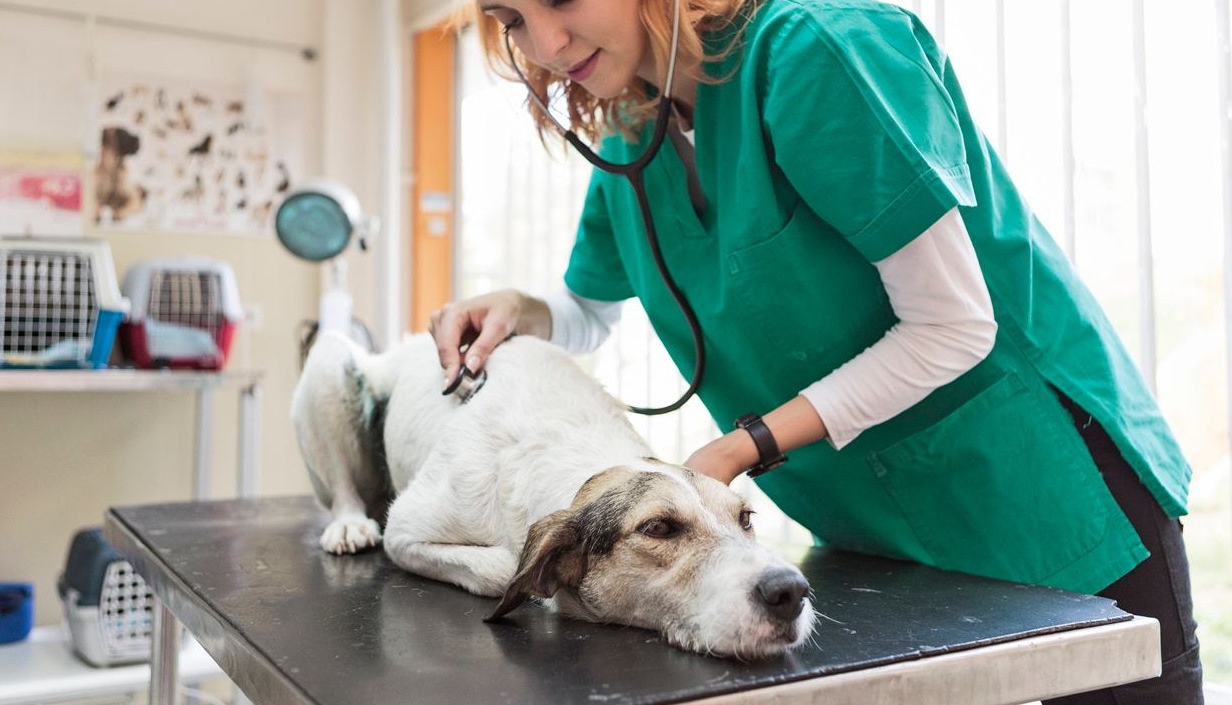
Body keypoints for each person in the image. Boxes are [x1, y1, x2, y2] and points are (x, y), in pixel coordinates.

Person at [433, 0, 1204, 701]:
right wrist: (523, 310)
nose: (546, 41)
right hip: (869, 520)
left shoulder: (817, 49)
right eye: (513, 18)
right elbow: (589, 311)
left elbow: (955, 324)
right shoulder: (635, 129)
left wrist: (744, 446)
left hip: (1037, 484)